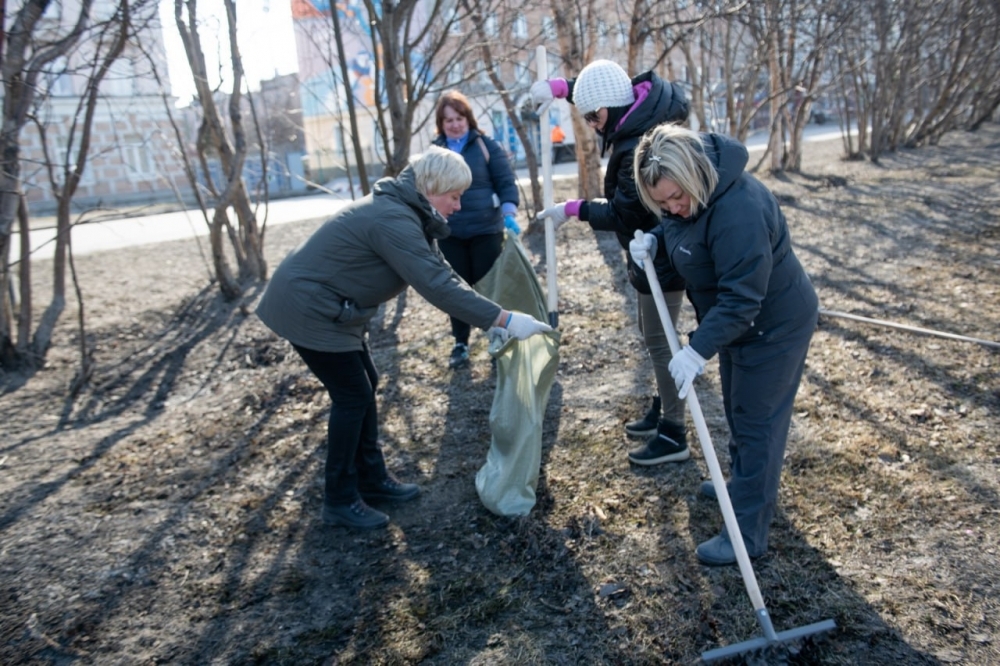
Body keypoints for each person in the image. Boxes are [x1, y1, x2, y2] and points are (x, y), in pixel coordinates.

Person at [256, 146, 552, 531]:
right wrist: (504, 319)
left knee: (366, 384)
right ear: (432, 187)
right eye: (455, 195)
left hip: (334, 309)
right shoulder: (392, 218)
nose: (459, 206)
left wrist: (495, 319)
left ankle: (371, 478)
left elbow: (441, 272)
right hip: (309, 308)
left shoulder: (408, 211)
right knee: (352, 395)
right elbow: (435, 286)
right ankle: (340, 499)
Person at [628, 123, 819, 566]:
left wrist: (696, 350)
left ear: (696, 175)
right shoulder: (689, 206)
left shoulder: (739, 210)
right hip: (738, 325)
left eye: (677, 198)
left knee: (758, 424)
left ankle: (747, 534)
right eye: (662, 203)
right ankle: (740, 485)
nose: (673, 208)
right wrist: (655, 240)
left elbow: (741, 298)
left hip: (772, 326)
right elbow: (686, 235)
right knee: (737, 408)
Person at [530, 60, 692, 465]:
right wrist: (558, 87)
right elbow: (600, 87)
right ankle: (663, 405)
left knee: (662, 343)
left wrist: (574, 208)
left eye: (593, 116)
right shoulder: (635, 105)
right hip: (648, 254)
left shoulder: (639, 144)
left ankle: (674, 433)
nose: (591, 124)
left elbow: (625, 214)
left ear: (613, 107)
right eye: (585, 115)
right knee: (652, 336)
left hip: (663, 254)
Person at [432, 91, 522, 369]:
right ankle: (461, 342)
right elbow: (425, 190)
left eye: (459, 118)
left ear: (468, 118)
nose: (455, 124)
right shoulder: (435, 152)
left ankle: (497, 337)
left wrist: (508, 213)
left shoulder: (485, 146)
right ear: (441, 123)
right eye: (449, 120)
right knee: (457, 290)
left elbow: (505, 182)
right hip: (449, 233)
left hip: (486, 230)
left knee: (487, 288)